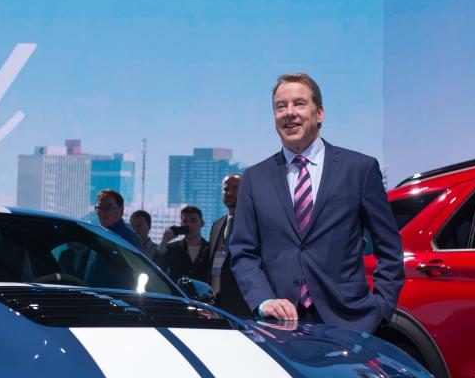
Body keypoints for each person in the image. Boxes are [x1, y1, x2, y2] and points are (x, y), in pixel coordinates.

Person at [229, 73, 403, 333]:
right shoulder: (255, 178)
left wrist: (379, 309)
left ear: (319, 113)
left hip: (349, 324)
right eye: (280, 106)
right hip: (277, 326)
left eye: (299, 103)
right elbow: (243, 252)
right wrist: (264, 301)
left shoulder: (359, 169)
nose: (289, 112)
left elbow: (389, 249)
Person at [207, 174, 249, 316]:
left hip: (244, 304)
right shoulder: (216, 225)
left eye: (235, 189)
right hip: (216, 305)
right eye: (226, 189)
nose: (230, 193)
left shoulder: (254, 223)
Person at [155, 205, 209, 282]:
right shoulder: (172, 248)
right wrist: (164, 242)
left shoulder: (210, 249)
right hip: (177, 293)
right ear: (181, 224)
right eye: (185, 221)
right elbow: (156, 270)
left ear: (202, 223)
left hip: (203, 293)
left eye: (193, 220)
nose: (189, 225)